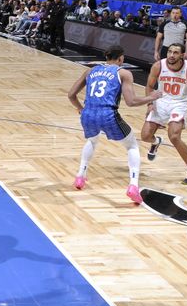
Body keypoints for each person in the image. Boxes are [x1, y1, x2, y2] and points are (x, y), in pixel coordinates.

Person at [68, 45, 162, 204]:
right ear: (120, 58)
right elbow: (131, 102)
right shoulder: (123, 73)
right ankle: (133, 186)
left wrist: (81, 109)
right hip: (108, 114)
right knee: (132, 146)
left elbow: (71, 95)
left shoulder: (90, 71)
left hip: (88, 113)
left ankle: (80, 177)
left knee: (92, 140)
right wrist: (152, 97)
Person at [141, 43, 187, 184]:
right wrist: (149, 104)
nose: (171, 55)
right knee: (145, 136)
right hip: (160, 101)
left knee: (174, 136)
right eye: (169, 52)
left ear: (182, 55)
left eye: (175, 52)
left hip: (179, 104)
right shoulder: (158, 66)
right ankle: (156, 142)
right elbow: (149, 86)